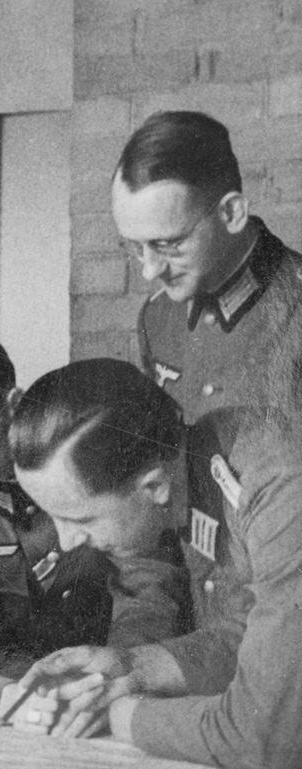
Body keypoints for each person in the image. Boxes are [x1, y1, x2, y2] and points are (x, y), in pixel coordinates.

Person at [0, 327, 186, 730]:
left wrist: (114, 678)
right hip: (10, 691)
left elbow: (147, 580)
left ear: (11, 405)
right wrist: (6, 701)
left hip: (112, 672)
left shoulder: (80, 447)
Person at [14, 356, 302, 769]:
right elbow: (260, 631)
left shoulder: (277, 485)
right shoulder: (204, 455)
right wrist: (134, 668)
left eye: (79, 519)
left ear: (155, 486)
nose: (66, 541)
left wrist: (122, 715)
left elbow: (263, 737)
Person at [120, 111, 302, 629]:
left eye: (169, 244)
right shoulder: (158, 320)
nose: (150, 270)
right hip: (206, 631)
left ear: (232, 212)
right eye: (135, 247)